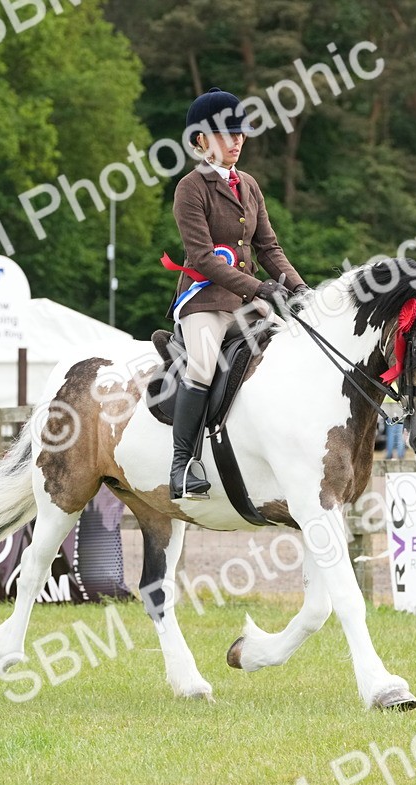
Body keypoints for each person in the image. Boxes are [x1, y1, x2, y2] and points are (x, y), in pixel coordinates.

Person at [167, 87, 309, 500]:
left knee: (290, 346)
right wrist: (259, 287)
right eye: (226, 133)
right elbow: (204, 258)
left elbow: (268, 248)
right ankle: (182, 466)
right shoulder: (190, 189)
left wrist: (301, 289)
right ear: (200, 140)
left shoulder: (248, 184)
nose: (237, 140)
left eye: (240, 132)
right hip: (206, 301)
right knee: (203, 364)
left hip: (248, 304)